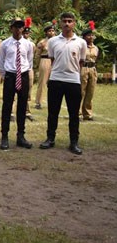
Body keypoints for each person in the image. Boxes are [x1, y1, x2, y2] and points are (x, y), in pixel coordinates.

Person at [40, 12, 87, 154]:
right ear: (60, 23)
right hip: (56, 80)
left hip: (73, 81)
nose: (67, 24)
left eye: (70, 21)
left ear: (74, 23)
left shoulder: (81, 42)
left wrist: (72, 73)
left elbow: (81, 62)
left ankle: (74, 142)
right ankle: (50, 139)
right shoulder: (53, 41)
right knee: (52, 112)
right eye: (64, 21)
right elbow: (53, 60)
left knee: (74, 114)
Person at [0, 18, 35, 150]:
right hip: (10, 75)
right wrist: (7, 75)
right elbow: (0, 63)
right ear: (11, 28)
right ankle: (4, 136)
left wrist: (23, 73)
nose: (19, 29)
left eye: (21, 27)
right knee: (7, 106)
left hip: (23, 75)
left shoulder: (28, 44)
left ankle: (21, 136)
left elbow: (29, 61)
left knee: (22, 106)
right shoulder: (5, 44)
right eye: (16, 27)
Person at [34, 22, 56, 110]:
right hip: (45, 60)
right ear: (46, 32)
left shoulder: (58, 41)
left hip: (55, 61)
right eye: (49, 31)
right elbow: (37, 55)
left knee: (54, 83)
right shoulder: (42, 42)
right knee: (42, 82)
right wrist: (37, 64)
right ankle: (38, 102)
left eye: (53, 31)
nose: (51, 32)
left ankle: (53, 101)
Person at [80, 22, 98, 121]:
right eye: (88, 35)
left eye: (92, 35)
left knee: (90, 92)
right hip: (83, 68)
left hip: (93, 69)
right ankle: (77, 113)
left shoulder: (96, 48)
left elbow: (96, 59)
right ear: (84, 37)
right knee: (81, 91)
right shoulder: (82, 47)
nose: (91, 37)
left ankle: (87, 113)